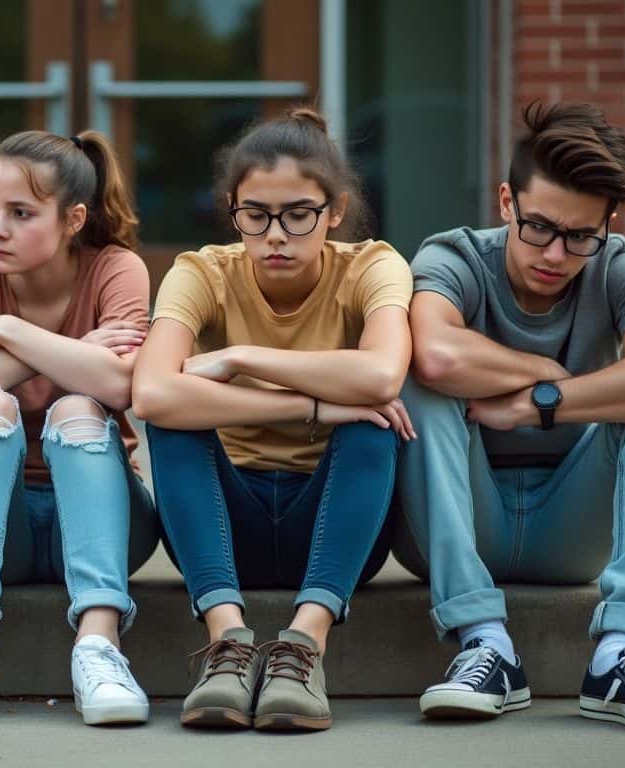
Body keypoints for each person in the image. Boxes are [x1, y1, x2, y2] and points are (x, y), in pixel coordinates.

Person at [396, 102, 625, 728]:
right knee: (417, 385)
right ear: (507, 202)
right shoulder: (452, 258)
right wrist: (546, 371)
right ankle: (485, 644)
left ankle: (621, 653)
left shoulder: (621, 267)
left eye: (579, 237)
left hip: (572, 527)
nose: (556, 254)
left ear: (607, 225)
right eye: (538, 227)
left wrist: (541, 408)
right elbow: (434, 353)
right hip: (460, 521)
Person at [131, 108, 415, 731]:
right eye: (255, 216)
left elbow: (381, 377)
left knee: (373, 419)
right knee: (175, 421)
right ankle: (227, 644)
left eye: (298, 215)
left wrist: (236, 358)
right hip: (223, 521)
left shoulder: (372, 266)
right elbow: (151, 393)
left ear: (334, 210)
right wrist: (309, 403)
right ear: (233, 210)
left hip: (336, 520)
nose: (275, 235)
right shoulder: (201, 271)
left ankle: (305, 645)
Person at [0, 130, 160, 726]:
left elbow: (123, 386)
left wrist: (3, 333)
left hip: (107, 521)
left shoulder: (116, 269)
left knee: (78, 407)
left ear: (73, 219)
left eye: (21, 214)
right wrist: (73, 352)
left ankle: (100, 647)